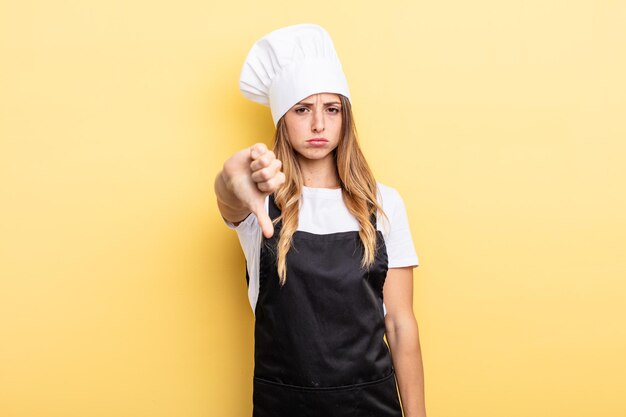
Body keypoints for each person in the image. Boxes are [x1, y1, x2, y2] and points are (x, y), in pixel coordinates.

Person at [214, 24, 427, 417]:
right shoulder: (259, 201)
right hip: (285, 406)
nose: (318, 125)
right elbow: (228, 195)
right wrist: (232, 177)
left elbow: (399, 324)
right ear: (282, 118)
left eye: (331, 109)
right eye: (302, 109)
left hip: (372, 406)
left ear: (345, 117)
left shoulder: (383, 203)